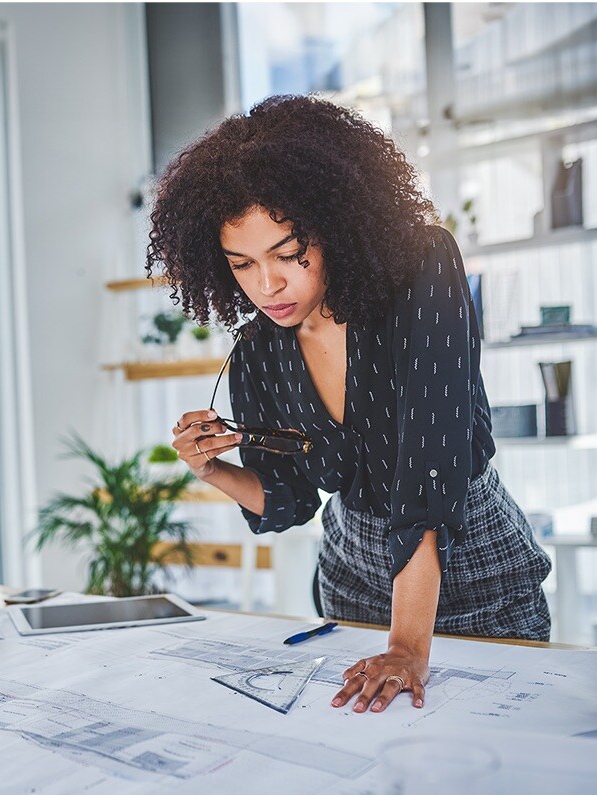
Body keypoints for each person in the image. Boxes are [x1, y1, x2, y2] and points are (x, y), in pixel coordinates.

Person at [148, 94, 552, 715]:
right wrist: (212, 469)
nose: (267, 285)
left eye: (288, 254)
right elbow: (289, 500)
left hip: (471, 572)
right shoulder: (259, 349)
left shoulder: (421, 269)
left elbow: (429, 471)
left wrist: (408, 646)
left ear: (335, 226)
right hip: (350, 583)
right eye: (243, 265)